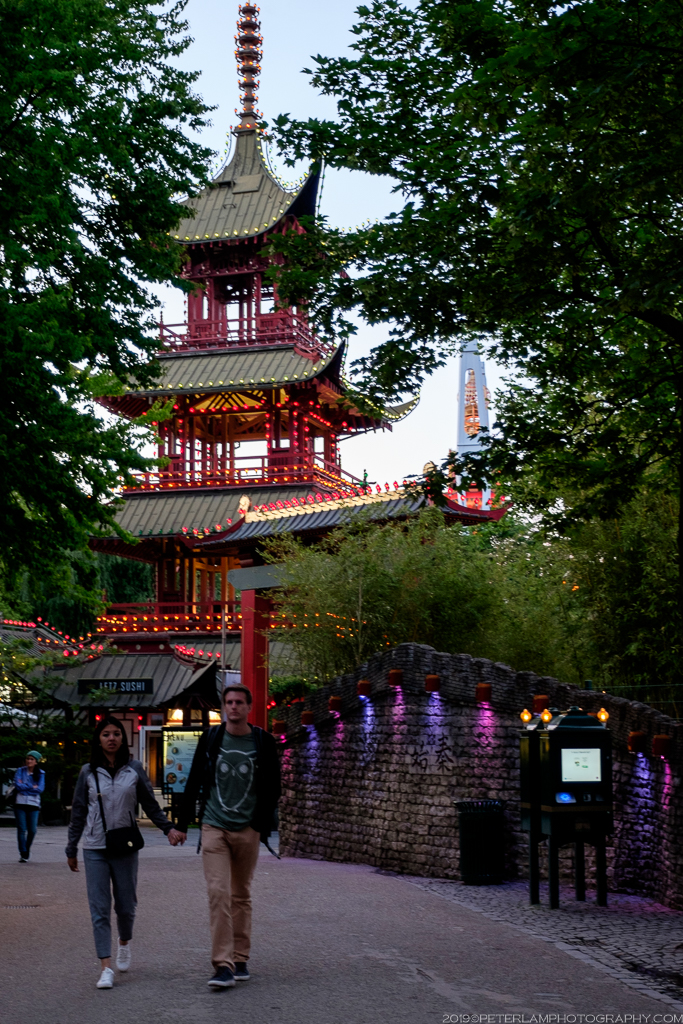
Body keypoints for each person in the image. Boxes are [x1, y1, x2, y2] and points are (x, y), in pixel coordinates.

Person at [66, 716, 186, 990]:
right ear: (98, 739)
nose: (111, 738)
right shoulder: (88, 772)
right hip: (95, 847)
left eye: (116, 734)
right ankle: (105, 967)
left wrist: (168, 828)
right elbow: (79, 812)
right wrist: (71, 847)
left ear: (123, 738)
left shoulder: (134, 769)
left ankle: (124, 942)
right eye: (106, 734)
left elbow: (150, 804)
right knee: (99, 908)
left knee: (126, 906)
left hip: (125, 847)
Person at [178, 685, 281, 990]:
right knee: (218, 893)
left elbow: (274, 786)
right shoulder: (211, 738)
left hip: (248, 828)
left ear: (249, 707)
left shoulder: (263, 741)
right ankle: (223, 965)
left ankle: (240, 957)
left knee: (241, 894)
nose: (233, 707)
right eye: (229, 702)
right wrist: (182, 824)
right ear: (224, 707)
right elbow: (194, 780)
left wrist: (259, 823)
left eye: (239, 702)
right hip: (214, 825)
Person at [14, 750, 46, 863]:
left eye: (32, 759)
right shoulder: (20, 771)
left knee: (32, 830)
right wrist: (32, 787)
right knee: (21, 829)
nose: (29, 761)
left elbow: (40, 789)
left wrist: (25, 787)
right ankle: (23, 852)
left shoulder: (41, 773)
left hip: (33, 804)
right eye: (28, 759)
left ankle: (27, 848)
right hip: (20, 803)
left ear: (36, 762)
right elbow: (18, 786)